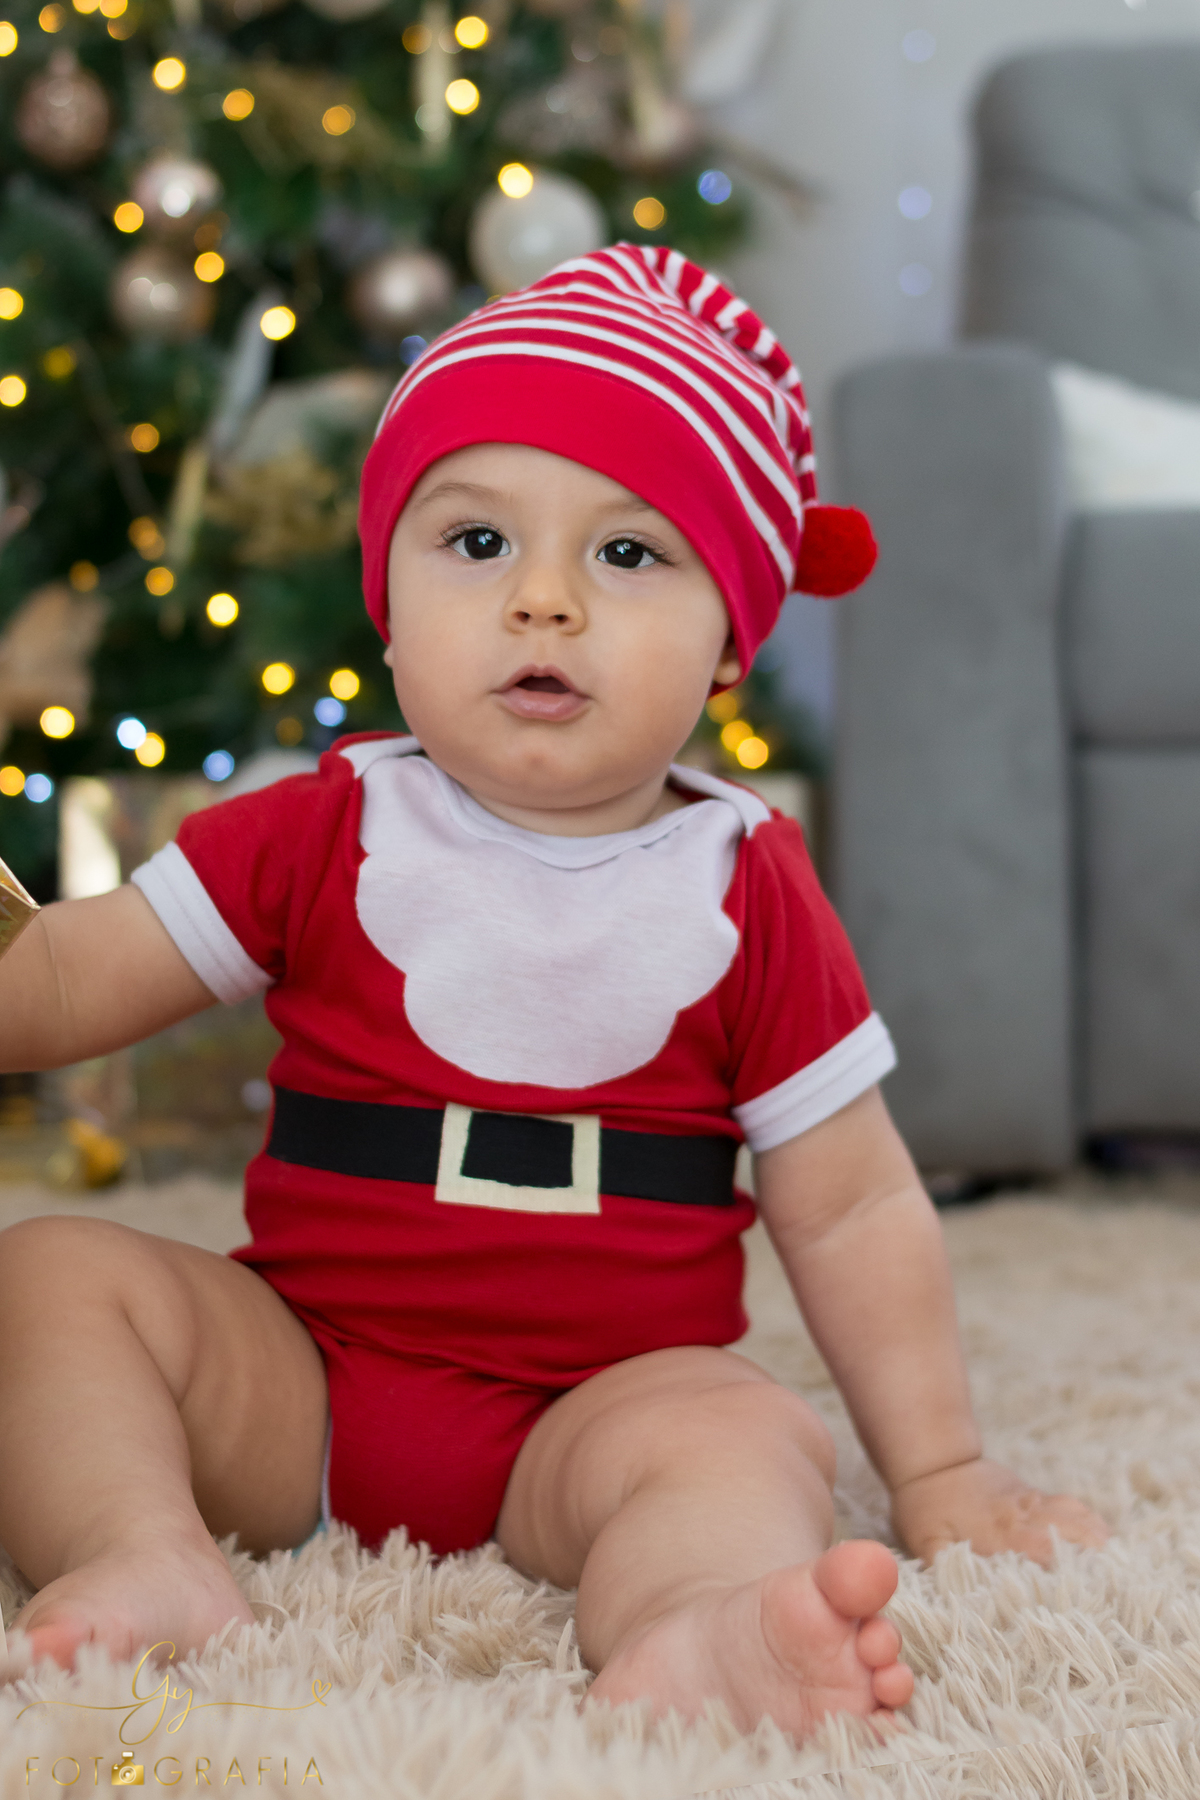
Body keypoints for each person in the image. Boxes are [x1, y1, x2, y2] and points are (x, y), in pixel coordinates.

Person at [0, 247, 1107, 1739]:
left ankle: (690, 1624)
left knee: (746, 1435)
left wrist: (944, 1471)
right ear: (385, 602)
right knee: (53, 1281)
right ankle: (139, 1547)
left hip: (594, 1416)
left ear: (731, 645)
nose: (540, 603)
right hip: (302, 1377)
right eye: (473, 544)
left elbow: (847, 1206)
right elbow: (59, 980)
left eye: (627, 555)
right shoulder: (319, 827)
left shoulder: (747, 886)